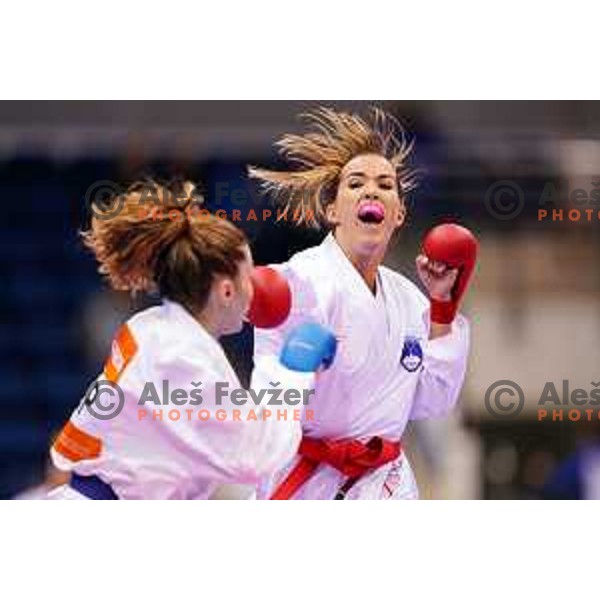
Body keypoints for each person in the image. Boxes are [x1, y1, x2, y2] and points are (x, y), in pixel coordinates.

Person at [48, 180, 336, 499]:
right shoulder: (179, 355)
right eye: (248, 276)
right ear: (226, 291)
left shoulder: (152, 328)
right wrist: (292, 371)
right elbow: (256, 457)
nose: (255, 289)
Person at [249, 107, 475, 499]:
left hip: (385, 483)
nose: (372, 190)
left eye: (385, 185)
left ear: (399, 213)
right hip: (310, 481)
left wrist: (443, 306)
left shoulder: (409, 299)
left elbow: (433, 402)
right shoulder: (299, 282)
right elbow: (270, 407)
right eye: (356, 183)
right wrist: (294, 368)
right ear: (332, 210)